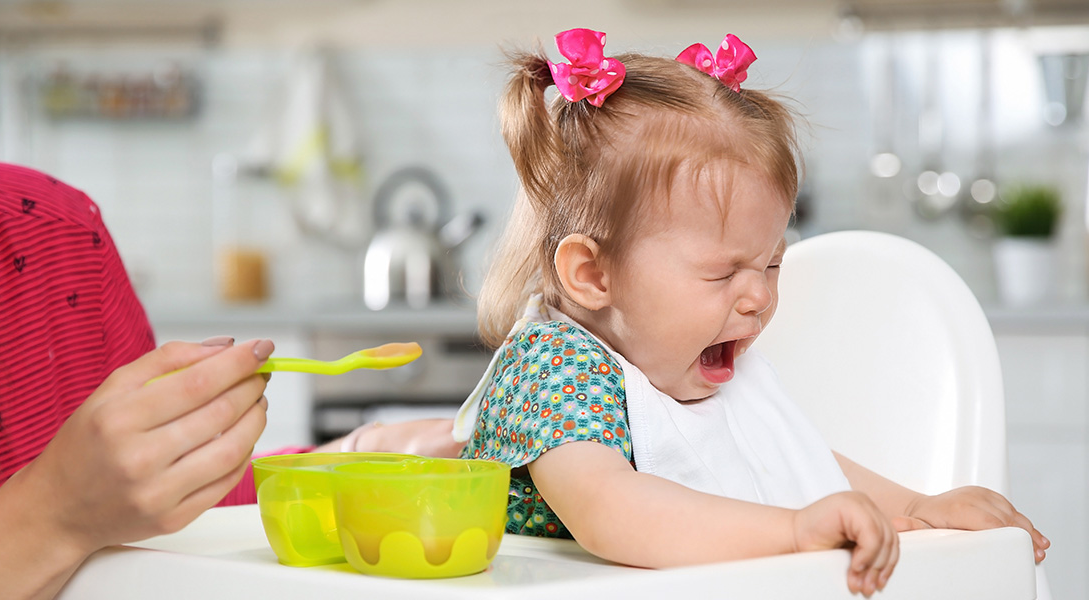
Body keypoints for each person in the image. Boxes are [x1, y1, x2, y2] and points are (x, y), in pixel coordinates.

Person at [450, 29, 1050, 597]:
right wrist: (793, 531)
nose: (759, 297)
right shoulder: (555, 366)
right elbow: (613, 511)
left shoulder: (701, 361)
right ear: (593, 275)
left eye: (770, 266)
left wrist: (919, 506)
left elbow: (792, 456)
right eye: (721, 272)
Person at [0, 159, 457, 599]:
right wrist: (55, 514)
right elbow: (88, 512)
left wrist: (351, 460)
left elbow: (146, 505)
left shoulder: (60, 234)